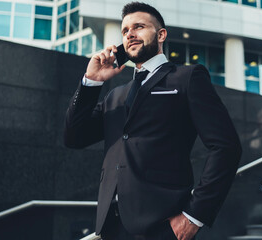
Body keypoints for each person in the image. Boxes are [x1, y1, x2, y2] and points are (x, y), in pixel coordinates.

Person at [64, 2, 242, 240]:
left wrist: (194, 216)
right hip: (111, 227)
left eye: (139, 27)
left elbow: (226, 146)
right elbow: (74, 137)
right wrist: (91, 81)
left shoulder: (187, 78)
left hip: (164, 226)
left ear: (161, 34)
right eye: (125, 31)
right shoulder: (115, 96)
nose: (130, 34)